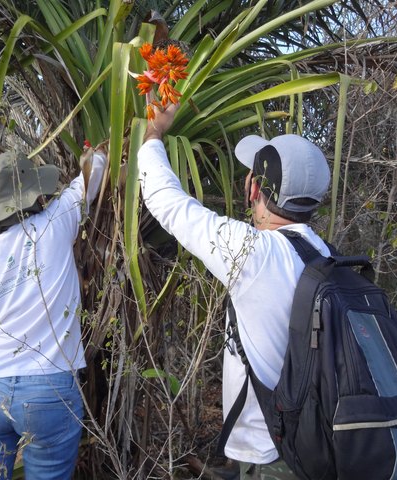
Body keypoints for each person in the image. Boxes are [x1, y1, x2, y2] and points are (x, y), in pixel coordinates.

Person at [137, 104, 331, 480]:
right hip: (318, 446)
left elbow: (167, 202)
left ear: (255, 187)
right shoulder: (327, 255)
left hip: (272, 454)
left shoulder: (253, 254)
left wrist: (154, 134)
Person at [0, 146, 107, 480]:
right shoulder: (55, 222)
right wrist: (93, 153)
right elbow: (95, 172)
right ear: (34, 195)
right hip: (48, 390)